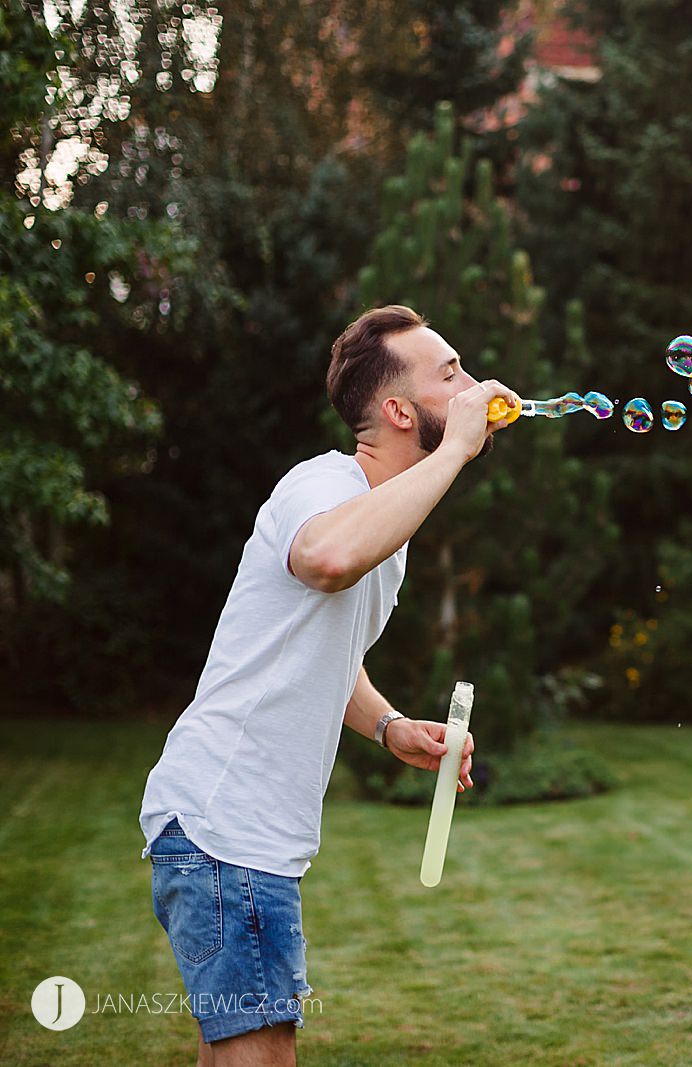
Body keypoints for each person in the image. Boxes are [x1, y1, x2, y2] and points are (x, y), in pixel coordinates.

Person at [138, 305, 520, 1066]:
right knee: (260, 1055)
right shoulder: (323, 484)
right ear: (400, 412)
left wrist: (390, 726)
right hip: (225, 824)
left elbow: (325, 654)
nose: (474, 386)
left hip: (242, 836)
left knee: (252, 1051)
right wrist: (458, 455)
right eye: (452, 374)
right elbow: (325, 558)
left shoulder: (385, 525)